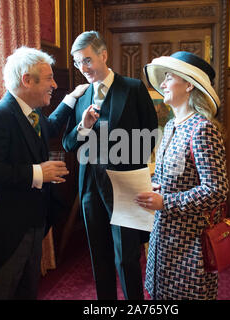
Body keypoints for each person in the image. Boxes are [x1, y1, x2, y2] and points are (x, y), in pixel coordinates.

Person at [0, 47, 89, 299]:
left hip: (32, 226)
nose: (55, 84)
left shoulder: (32, 115)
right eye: (49, 79)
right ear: (27, 80)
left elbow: (52, 126)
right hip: (3, 233)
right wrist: (37, 172)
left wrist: (73, 100)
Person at [57, 31, 158, 300]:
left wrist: (130, 167)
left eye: (88, 60)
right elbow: (68, 144)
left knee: (126, 256)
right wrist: (83, 127)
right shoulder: (80, 97)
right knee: (99, 255)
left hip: (125, 185)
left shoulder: (133, 88)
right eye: (78, 63)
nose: (83, 68)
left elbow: (150, 133)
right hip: (90, 186)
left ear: (103, 55)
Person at [135, 51, 229, 300]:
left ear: (189, 84)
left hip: (190, 247)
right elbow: (174, 178)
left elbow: (216, 190)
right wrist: (156, 188)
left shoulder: (202, 129)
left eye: (168, 78)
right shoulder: (171, 126)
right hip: (163, 239)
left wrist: (165, 202)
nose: (162, 84)